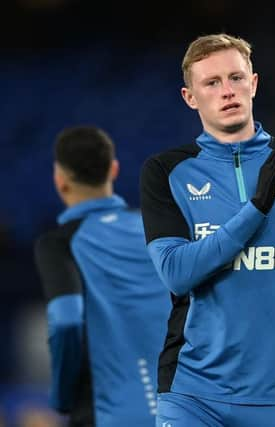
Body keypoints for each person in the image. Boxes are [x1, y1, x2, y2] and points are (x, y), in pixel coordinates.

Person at [139, 33, 275, 427]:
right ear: (190, 97)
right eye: (212, 83)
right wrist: (254, 212)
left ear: (253, 83)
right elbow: (176, 272)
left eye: (236, 78)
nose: (227, 91)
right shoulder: (167, 171)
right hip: (192, 395)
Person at [34, 127, 172, 426]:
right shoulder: (157, 231)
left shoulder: (59, 244)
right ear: (114, 169)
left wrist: (61, 395)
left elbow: (66, 320)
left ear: (60, 181)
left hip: (106, 414)